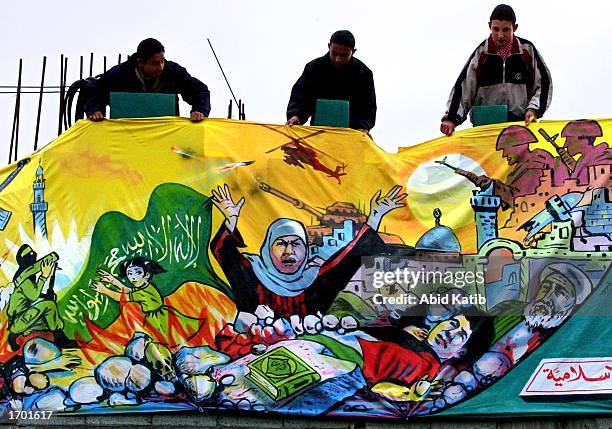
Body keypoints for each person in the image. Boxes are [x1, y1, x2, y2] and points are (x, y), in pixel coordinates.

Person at [210, 183, 406, 318]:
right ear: (267, 248)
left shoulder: (316, 278)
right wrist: (230, 221)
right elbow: (225, 253)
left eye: (296, 244)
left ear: (306, 250)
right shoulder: (252, 273)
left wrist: (375, 217)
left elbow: (354, 257)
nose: (288, 251)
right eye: (281, 243)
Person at [440, 4, 552, 136]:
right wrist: (451, 118)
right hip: (485, 129)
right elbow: (464, 88)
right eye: (496, 29)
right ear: (489, 26)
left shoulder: (527, 51)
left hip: (519, 127)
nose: (500, 35)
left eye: (506, 30)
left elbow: (544, 83)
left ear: (514, 28)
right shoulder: (481, 54)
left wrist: (533, 109)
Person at [84, 38, 210, 122]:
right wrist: (95, 110)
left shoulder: (173, 71)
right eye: (155, 63)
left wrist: (199, 110)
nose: (161, 66)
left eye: (162, 61)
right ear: (140, 62)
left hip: (165, 132)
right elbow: (96, 90)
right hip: (128, 133)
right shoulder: (121, 73)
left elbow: (200, 90)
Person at [92, 257, 206, 346]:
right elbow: (128, 291)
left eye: (137, 273)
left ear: (146, 275)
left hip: (159, 319)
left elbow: (122, 297)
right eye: (129, 274)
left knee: (167, 339)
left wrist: (104, 290)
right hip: (159, 315)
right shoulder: (146, 286)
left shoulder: (143, 293)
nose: (132, 277)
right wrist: (112, 280)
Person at [286, 30, 376, 132]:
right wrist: (296, 115)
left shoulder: (363, 74)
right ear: (329, 46)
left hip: (351, 135)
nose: (338, 59)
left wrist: (363, 127)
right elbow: (301, 94)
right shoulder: (314, 68)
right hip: (317, 133)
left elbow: (368, 106)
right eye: (334, 53)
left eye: (344, 55)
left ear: (353, 51)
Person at [7, 245, 76, 350]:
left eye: (32, 253)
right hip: (18, 321)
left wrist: (47, 294)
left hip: (24, 317)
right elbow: (34, 296)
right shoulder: (22, 278)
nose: (32, 256)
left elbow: (31, 297)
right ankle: (60, 339)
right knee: (49, 305)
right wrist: (44, 276)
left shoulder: (27, 277)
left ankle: (54, 340)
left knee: (47, 314)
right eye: (28, 255)